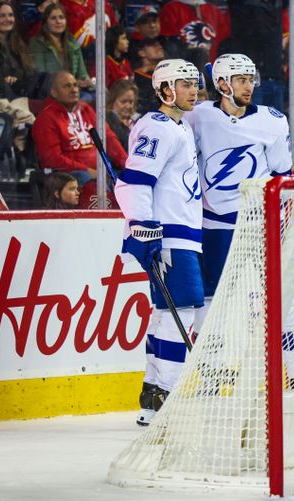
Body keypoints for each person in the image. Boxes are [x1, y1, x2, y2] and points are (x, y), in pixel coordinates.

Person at [184, 54, 294, 392]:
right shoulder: (197, 117)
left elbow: (281, 172)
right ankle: (210, 377)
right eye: (240, 79)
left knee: (290, 298)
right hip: (216, 225)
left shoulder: (272, 120)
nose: (249, 86)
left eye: (251, 78)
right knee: (210, 303)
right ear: (221, 84)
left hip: (264, 223)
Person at [114, 58, 203, 426]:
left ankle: (154, 393)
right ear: (165, 90)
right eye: (184, 84)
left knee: (169, 312)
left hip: (180, 233)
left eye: (195, 83)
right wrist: (143, 226)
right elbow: (132, 180)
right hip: (168, 234)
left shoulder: (178, 127)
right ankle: (165, 393)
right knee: (180, 310)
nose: (193, 90)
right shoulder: (160, 127)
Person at [31, 70, 127, 186]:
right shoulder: (46, 118)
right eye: (67, 86)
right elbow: (53, 160)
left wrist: (127, 164)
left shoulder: (85, 109)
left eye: (75, 85)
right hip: (71, 178)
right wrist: (86, 170)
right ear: (54, 92)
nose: (74, 90)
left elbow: (108, 138)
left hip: (100, 173)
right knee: (85, 178)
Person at [28, 3, 91, 89]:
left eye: (61, 17)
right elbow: (41, 76)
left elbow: (82, 74)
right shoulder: (37, 43)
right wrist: (73, 82)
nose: (58, 21)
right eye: (53, 18)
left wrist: (86, 81)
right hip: (51, 91)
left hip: (75, 89)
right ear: (46, 22)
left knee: (99, 93)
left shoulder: (71, 41)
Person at [0, 1, 39, 98]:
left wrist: (18, 78)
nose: (8, 19)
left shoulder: (18, 43)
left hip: (20, 86)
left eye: (10, 15)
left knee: (45, 77)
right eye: (2, 16)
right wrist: (5, 78)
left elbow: (31, 70)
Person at [159, 0, 230, 65]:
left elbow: (222, 41)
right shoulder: (171, 9)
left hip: (211, 69)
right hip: (183, 70)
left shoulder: (214, 10)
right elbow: (170, 45)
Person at [133, 37, 166, 115]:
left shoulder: (168, 73)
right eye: (153, 45)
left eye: (159, 44)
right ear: (142, 53)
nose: (159, 46)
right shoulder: (136, 77)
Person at [107, 79, 139, 150]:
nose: (128, 106)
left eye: (131, 102)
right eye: (123, 102)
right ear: (113, 101)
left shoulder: (139, 120)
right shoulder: (107, 122)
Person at [105, 25, 133, 89]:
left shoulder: (126, 62)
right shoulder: (106, 63)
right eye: (123, 38)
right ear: (114, 41)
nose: (127, 42)